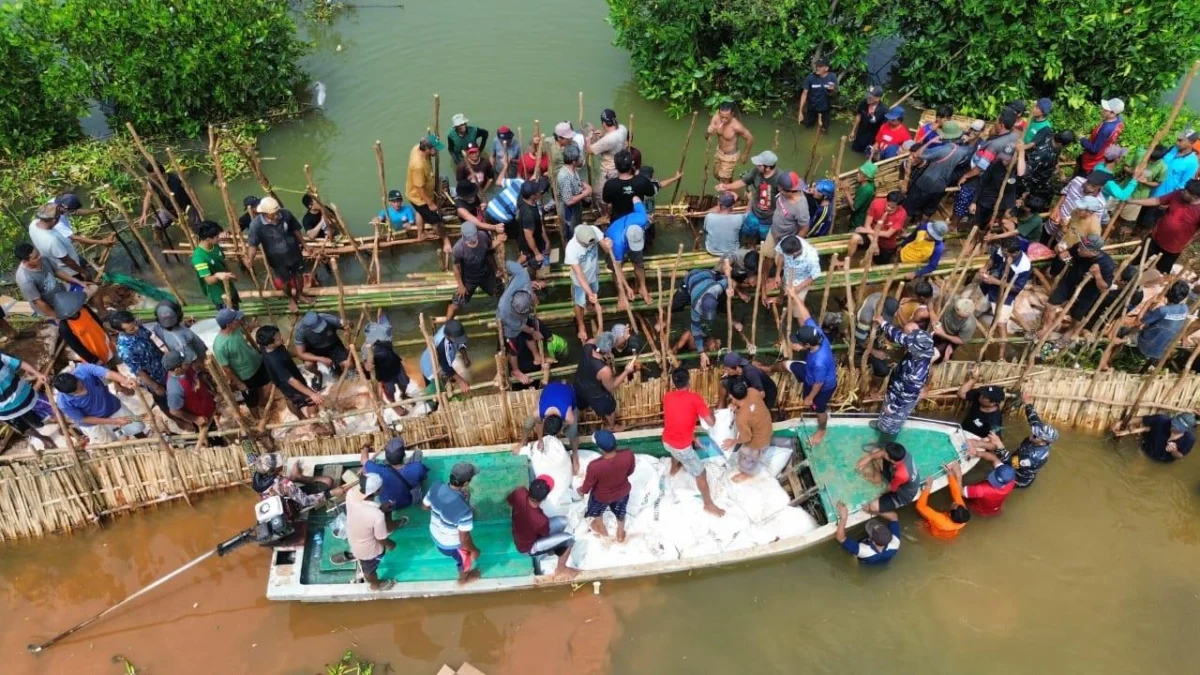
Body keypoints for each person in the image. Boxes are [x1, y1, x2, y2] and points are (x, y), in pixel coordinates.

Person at [660, 368, 725, 516]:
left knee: (674, 450)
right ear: (689, 381)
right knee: (701, 473)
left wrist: (693, 438)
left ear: (673, 382)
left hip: (666, 441)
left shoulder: (668, 396)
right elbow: (711, 422)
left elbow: (679, 420)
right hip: (682, 447)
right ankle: (708, 504)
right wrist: (712, 414)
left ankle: (673, 469)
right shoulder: (695, 398)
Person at [245, 196, 311, 312]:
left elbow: (296, 230)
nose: (276, 216)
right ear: (264, 213)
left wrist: (305, 245)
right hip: (276, 259)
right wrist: (250, 258)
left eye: (277, 212)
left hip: (294, 252)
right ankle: (291, 299)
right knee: (285, 281)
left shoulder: (286, 214)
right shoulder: (256, 225)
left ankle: (300, 294)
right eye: (273, 214)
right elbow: (253, 245)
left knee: (299, 275)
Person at [873, 319, 935, 442]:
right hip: (895, 389)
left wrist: (892, 408)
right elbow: (899, 336)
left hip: (900, 400)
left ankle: (883, 444)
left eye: (910, 345)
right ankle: (881, 426)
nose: (907, 345)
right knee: (885, 414)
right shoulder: (918, 346)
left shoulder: (918, 372)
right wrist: (883, 323)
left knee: (892, 424)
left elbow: (906, 396)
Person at [785, 301, 837, 445]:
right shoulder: (817, 333)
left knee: (819, 409)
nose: (797, 344)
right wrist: (794, 296)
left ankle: (822, 429)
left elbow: (818, 383)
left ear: (808, 345)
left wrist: (810, 397)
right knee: (787, 365)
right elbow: (806, 314)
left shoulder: (819, 362)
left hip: (821, 387)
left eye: (800, 342)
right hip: (809, 373)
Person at [53, 364, 146, 444]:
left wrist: (125, 380)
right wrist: (114, 421)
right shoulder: (64, 403)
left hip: (112, 407)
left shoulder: (84, 369)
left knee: (136, 427)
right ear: (67, 393)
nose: (83, 391)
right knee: (109, 444)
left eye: (81, 386)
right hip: (95, 424)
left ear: (76, 378)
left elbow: (108, 373)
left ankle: (147, 442)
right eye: (76, 393)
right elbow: (84, 419)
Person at [1042, 234, 1114, 336]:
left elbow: (1104, 288)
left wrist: (1097, 275)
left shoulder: (1106, 264)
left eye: (1083, 248)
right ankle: (1045, 329)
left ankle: (1068, 334)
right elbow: (1068, 253)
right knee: (1050, 304)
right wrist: (1063, 253)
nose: (1079, 248)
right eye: (1080, 245)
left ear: (1094, 252)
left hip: (1088, 290)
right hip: (1070, 281)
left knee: (1077, 316)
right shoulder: (1078, 248)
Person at [422, 461, 481, 583]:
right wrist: (474, 550)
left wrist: (443, 510)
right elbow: (463, 539)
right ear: (465, 483)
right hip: (450, 546)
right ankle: (464, 578)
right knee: (464, 562)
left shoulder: (436, 486)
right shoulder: (464, 511)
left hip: (434, 534)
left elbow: (425, 506)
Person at [1126, 179, 1200, 274]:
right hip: (1155, 238)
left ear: (1194, 197)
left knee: (1160, 272)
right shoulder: (1178, 194)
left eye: (1186, 192)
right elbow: (1156, 200)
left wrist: (1191, 240)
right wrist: (1133, 201)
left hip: (1172, 248)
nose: (1183, 191)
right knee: (1139, 260)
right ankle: (1127, 276)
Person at [508, 476, 578, 577]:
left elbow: (509, 501)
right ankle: (561, 569)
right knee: (569, 539)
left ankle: (553, 549)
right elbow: (545, 533)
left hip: (519, 534)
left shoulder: (520, 492)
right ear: (545, 498)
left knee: (564, 520)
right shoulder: (540, 520)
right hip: (527, 548)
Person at [343, 473, 399, 591]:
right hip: (368, 551)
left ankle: (355, 556)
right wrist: (391, 545)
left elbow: (362, 512)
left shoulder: (351, 494)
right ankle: (375, 585)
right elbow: (381, 538)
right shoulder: (376, 515)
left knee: (366, 565)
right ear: (377, 491)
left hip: (353, 537)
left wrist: (380, 509)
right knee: (369, 570)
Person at [497, 260, 548, 387]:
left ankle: (536, 356)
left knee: (529, 329)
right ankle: (515, 370)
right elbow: (519, 326)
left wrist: (504, 269)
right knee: (513, 347)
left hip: (523, 313)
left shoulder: (523, 277)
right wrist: (533, 331)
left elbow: (509, 263)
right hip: (509, 324)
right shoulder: (504, 310)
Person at [256, 325, 324, 420]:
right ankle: (314, 423)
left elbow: (285, 352)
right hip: (289, 384)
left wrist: (299, 355)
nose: (281, 338)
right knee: (312, 402)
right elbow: (291, 381)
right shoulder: (275, 361)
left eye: (279, 335)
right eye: (278, 339)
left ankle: (301, 418)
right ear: (270, 344)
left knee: (290, 399)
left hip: (286, 376)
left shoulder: (267, 346)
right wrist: (312, 394)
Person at [578, 429, 635, 542]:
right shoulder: (628, 454)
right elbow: (630, 471)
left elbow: (588, 486)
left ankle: (601, 529)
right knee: (621, 511)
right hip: (622, 492)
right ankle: (620, 533)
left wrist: (581, 490)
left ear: (600, 449)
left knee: (597, 512)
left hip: (601, 496)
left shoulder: (594, 466)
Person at [906, 122, 970, 220]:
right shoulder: (962, 151)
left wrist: (930, 141)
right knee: (927, 213)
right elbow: (970, 150)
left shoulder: (940, 150)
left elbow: (917, 154)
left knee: (909, 209)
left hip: (925, 183)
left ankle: (902, 231)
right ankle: (920, 232)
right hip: (940, 186)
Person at [574, 332, 635, 429]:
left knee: (580, 404)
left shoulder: (588, 345)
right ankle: (612, 426)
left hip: (579, 385)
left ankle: (579, 418)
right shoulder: (604, 370)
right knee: (609, 408)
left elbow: (599, 341)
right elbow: (611, 386)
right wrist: (626, 371)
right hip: (595, 394)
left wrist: (622, 338)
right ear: (609, 350)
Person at [672, 267, 731, 367]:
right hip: (691, 279)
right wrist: (701, 353)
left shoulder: (717, 288)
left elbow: (729, 280)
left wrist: (731, 289)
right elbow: (695, 329)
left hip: (708, 274)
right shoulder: (696, 306)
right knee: (675, 306)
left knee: (725, 302)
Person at [212, 309, 269, 412]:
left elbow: (245, 329)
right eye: (236, 319)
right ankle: (257, 418)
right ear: (229, 324)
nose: (239, 320)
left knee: (260, 385)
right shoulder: (220, 346)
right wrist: (239, 383)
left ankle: (263, 404)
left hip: (256, 362)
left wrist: (252, 326)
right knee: (251, 400)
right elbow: (226, 367)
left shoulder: (236, 329)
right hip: (245, 374)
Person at [716, 150, 779, 244]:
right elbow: (743, 182)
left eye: (759, 165)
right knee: (747, 234)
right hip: (754, 213)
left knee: (764, 240)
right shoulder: (756, 171)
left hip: (769, 218)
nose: (757, 166)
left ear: (768, 168)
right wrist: (726, 186)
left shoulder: (779, 179)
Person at [111, 311, 170, 411]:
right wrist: (156, 387)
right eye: (131, 329)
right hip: (155, 379)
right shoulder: (125, 350)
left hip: (165, 367)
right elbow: (139, 372)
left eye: (135, 324)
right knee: (166, 402)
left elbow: (150, 341)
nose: (136, 328)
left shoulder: (137, 327)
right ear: (120, 331)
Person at [446, 222, 505, 320]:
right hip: (469, 278)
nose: (472, 241)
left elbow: (489, 250)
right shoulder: (458, 248)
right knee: (457, 303)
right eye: (469, 240)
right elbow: (456, 267)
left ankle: (505, 315)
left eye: (473, 238)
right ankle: (447, 324)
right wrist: (461, 285)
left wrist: (496, 269)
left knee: (501, 293)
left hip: (486, 274)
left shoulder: (482, 236)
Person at [14, 243, 89, 318]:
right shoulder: (25, 279)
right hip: (50, 304)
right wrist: (56, 317)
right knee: (73, 319)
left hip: (61, 291)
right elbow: (38, 302)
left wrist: (78, 281)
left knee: (93, 289)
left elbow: (57, 271)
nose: (40, 256)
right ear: (25, 261)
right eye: (35, 257)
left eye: (38, 253)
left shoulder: (43, 259)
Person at [976, 238, 1030, 340]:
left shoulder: (1024, 266)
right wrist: (985, 268)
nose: (1003, 253)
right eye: (1003, 251)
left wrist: (996, 282)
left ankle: (1001, 355)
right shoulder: (1002, 250)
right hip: (989, 287)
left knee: (1001, 325)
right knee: (975, 310)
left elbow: (1017, 288)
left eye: (1005, 253)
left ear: (1015, 253)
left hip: (1005, 295)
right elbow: (992, 259)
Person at [520, 381, 581, 471]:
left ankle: (575, 454)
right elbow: (538, 424)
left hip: (568, 391)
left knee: (572, 433)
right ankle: (522, 443)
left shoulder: (569, 417)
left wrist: (564, 428)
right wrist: (540, 440)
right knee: (528, 422)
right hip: (550, 388)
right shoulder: (537, 413)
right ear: (545, 419)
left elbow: (570, 423)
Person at [0, 351, 54, 450]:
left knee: (40, 416)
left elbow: (18, 363)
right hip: (5, 410)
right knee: (21, 427)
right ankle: (43, 439)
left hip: (23, 395)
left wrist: (38, 374)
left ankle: (48, 425)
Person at [362, 437, 429, 515]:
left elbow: (364, 460)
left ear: (387, 458)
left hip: (386, 503)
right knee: (418, 453)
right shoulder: (417, 467)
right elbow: (424, 478)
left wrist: (365, 448)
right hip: (408, 501)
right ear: (404, 454)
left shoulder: (378, 470)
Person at [28, 203, 93, 282]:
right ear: (54, 220)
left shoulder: (33, 225)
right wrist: (83, 272)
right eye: (59, 217)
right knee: (88, 284)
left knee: (84, 264)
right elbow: (66, 260)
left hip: (61, 262)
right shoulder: (51, 240)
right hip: (72, 271)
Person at [724, 378, 772, 483]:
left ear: (731, 396)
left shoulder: (741, 418)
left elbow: (746, 438)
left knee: (747, 456)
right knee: (750, 454)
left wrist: (732, 442)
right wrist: (737, 405)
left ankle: (746, 473)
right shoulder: (752, 391)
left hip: (758, 441)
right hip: (767, 426)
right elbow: (752, 404)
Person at [407, 134, 450, 253]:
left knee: (419, 212)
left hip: (414, 195)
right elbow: (419, 188)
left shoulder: (417, 148)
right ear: (426, 150)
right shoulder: (418, 166)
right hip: (420, 197)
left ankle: (421, 234)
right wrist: (430, 203)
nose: (437, 151)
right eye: (435, 149)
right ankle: (445, 241)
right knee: (437, 221)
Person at [251, 452, 335, 511]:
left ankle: (295, 477)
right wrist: (330, 494)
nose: (281, 465)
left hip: (276, 505)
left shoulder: (256, 478)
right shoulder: (284, 483)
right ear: (272, 471)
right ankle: (297, 477)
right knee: (328, 481)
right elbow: (305, 501)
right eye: (278, 465)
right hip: (292, 507)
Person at [842, 191, 907, 267]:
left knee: (880, 263)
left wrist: (867, 230)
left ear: (898, 206)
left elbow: (887, 234)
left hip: (885, 241)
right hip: (870, 236)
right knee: (854, 238)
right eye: (888, 205)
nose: (888, 208)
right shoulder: (876, 203)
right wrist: (874, 242)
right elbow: (867, 224)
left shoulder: (902, 214)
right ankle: (847, 259)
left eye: (892, 208)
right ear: (886, 199)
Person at [360, 312, 410, 405]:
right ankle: (393, 403)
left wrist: (381, 314)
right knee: (390, 390)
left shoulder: (386, 330)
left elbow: (385, 321)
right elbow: (366, 364)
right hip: (383, 373)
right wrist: (367, 366)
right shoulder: (366, 348)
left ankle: (403, 395)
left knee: (405, 382)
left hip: (395, 364)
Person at [163, 349, 218, 434]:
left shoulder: (185, 369)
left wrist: (211, 392)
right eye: (185, 363)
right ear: (177, 370)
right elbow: (174, 411)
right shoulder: (174, 390)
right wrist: (195, 419)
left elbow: (196, 378)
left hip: (208, 404)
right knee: (212, 435)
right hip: (202, 417)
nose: (189, 363)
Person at [857, 441, 920, 514]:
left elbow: (890, 488)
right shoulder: (902, 453)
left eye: (885, 453)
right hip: (897, 475)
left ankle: (878, 480)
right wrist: (870, 457)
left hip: (902, 495)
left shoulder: (901, 474)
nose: (883, 452)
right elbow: (882, 452)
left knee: (873, 507)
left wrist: (876, 495)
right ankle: (878, 475)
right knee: (875, 451)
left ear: (892, 460)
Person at [565, 225, 604, 341]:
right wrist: (590, 293)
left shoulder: (593, 230)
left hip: (594, 273)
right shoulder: (571, 249)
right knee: (579, 302)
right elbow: (580, 276)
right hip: (579, 281)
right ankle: (581, 326)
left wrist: (608, 245)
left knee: (593, 295)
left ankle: (589, 304)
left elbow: (606, 248)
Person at [761, 170, 810, 263]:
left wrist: (792, 244)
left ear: (790, 191)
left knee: (779, 262)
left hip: (786, 239)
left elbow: (804, 228)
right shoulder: (787, 188)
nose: (778, 189)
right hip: (773, 232)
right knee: (766, 255)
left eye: (780, 189)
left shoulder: (800, 207)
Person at [770, 235, 822, 322]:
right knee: (782, 287)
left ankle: (803, 329)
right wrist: (777, 274)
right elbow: (781, 256)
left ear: (795, 253)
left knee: (798, 309)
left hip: (801, 281)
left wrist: (797, 288)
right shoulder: (787, 241)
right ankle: (780, 299)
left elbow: (814, 276)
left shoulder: (811, 257)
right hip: (787, 274)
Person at [294, 311, 351, 388]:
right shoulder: (300, 330)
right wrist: (321, 359)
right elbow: (300, 353)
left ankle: (344, 374)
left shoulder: (327, 318)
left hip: (333, 345)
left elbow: (346, 325)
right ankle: (318, 374)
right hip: (314, 350)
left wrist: (348, 324)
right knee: (309, 365)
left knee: (348, 363)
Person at [54, 292, 114, 365]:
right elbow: (76, 346)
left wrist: (107, 334)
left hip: (104, 342)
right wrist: (93, 359)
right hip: (93, 353)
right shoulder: (65, 326)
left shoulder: (84, 308)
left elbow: (97, 321)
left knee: (112, 358)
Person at [915, 462, 970, 539]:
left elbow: (920, 506)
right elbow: (956, 493)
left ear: (950, 514)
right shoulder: (962, 513)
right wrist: (950, 474)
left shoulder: (940, 519)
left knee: (920, 524)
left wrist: (928, 487)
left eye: (954, 505)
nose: (955, 502)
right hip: (953, 529)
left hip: (939, 530)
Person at [192, 220, 239, 309]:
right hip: (219, 295)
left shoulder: (215, 246)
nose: (219, 238)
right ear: (208, 239)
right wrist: (217, 275)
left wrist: (231, 274)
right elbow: (209, 280)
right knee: (229, 319)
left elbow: (223, 263)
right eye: (217, 236)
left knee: (236, 311)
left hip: (230, 288)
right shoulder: (199, 257)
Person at [835, 501, 900, 564]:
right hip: (883, 558)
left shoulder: (864, 550)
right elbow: (894, 517)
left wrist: (843, 518)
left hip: (866, 559)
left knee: (853, 555)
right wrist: (873, 511)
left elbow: (840, 538)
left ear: (872, 539)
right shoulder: (895, 544)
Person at [1113, 412, 1195, 462]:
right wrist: (1121, 422)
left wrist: (1174, 451)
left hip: (1164, 462)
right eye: (1174, 423)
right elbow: (1141, 419)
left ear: (1185, 430)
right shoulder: (1161, 420)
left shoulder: (1189, 439)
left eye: (1177, 427)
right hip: (1144, 451)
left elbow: (1180, 455)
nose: (1173, 426)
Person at [957, 366, 1005, 449]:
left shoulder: (995, 420)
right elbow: (961, 394)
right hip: (962, 432)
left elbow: (995, 445)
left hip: (976, 441)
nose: (981, 396)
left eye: (984, 397)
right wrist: (973, 379)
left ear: (992, 403)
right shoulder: (980, 397)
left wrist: (977, 443)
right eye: (982, 394)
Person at [421, 319, 472, 396]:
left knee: (449, 378)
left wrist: (465, 357)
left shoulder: (452, 329)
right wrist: (461, 381)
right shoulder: (441, 346)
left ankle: (448, 382)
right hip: (430, 368)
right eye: (456, 339)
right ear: (448, 336)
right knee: (437, 391)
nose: (459, 340)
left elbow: (461, 343)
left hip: (443, 361)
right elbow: (445, 366)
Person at [1023, 130, 1075, 205]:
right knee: (1035, 202)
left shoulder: (1051, 135)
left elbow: (1057, 152)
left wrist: (1056, 164)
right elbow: (1027, 172)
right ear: (1061, 144)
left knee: (1049, 194)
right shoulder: (1043, 154)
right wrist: (1026, 190)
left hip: (1045, 176)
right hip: (1035, 181)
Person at [707, 102, 754, 182]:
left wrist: (745, 154)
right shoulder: (715, 118)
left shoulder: (736, 126)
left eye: (727, 117)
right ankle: (733, 186)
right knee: (716, 174)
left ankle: (729, 191)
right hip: (719, 151)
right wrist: (708, 132)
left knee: (723, 180)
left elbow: (750, 138)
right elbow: (707, 137)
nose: (724, 120)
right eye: (722, 117)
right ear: (719, 113)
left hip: (730, 156)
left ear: (732, 114)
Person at [151, 300, 207, 366]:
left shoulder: (158, 327)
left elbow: (170, 325)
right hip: (202, 357)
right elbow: (193, 361)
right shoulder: (182, 343)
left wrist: (184, 325)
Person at [962, 448, 1016, 516]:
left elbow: (962, 492)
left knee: (967, 503)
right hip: (997, 507)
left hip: (981, 509)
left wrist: (957, 473)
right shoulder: (1011, 480)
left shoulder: (982, 489)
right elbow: (994, 458)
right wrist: (977, 453)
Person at [1078, 98, 1125, 174]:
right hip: (1101, 155)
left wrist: (1082, 139)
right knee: (1079, 159)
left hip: (1092, 160)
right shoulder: (1118, 120)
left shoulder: (1105, 129)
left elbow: (1094, 149)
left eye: (1105, 109)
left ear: (1112, 113)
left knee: (1082, 177)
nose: (1102, 110)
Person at [556, 143, 592, 240]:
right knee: (571, 232)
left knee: (577, 226)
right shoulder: (564, 176)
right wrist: (585, 193)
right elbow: (568, 201)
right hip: (569, 211)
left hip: (576, 207)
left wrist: (585, 185)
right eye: (578, 158)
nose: (580, 160)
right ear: (573, 161)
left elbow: (577, 180)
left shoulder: (572, 169)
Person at [516, 178, 550, 276]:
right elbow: (528, 236)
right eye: (537, 191)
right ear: (532, 196)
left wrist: (546, 240)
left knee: (525, 254)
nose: (539, 192)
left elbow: (538, 223)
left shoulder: (522, 197)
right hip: (529, 242)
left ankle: (515, 267)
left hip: (528, 237)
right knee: (532, 260)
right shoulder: (528, 214)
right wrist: (537, 253)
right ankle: (530, 277)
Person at [586, 108, 629, 180]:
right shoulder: (623, 128)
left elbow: (589, 151)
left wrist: (588, 139)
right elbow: (613, 142)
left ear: (604, 123)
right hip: (620, 167)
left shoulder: (608, 139)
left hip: (609, 171)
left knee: (601, 191)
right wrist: (603, 136)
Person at [798, 58, 838, 128]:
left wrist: (833, 89)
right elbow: (804, 94)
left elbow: (835, 93)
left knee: (824, 130)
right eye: (817, 66)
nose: (817, 68)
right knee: (808, 127)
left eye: (820, 66)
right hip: (812, 108)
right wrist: (800, 112)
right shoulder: (810, 77)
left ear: (826, 68)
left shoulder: (832, 76)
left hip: (825, 109)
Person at [850, 85, 886, 154]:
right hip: (860, 135)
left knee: (866, 156)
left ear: (878, 98)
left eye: (871, 96)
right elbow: (859, 115)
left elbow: (883, 128)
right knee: (853, 152)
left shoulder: (883, 111)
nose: (868, 98)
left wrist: (877, 143)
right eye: (868, 95)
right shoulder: (863, 103)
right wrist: (853, 131)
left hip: (871, 140)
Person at [704, 191, 743, 256]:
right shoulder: (739, 218)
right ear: (733, 206)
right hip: (732, 251)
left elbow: (705, 230)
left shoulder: (709, 216)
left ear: (718, 204)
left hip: (712, 250)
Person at [849, 162, 878, 230]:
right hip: (859, 216)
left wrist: (846, 191)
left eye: (860, 174)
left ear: (866, 178)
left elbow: (854, 208)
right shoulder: (869, 183)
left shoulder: (866, 190)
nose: (857, 175)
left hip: (859, 220)